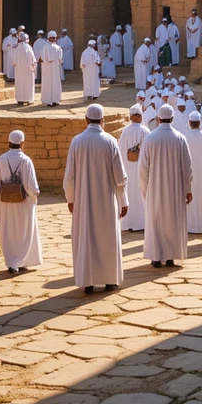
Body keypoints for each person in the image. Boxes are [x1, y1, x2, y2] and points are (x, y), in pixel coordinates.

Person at [63, 103, 128, 293]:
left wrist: (71, 199)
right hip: (107, 200)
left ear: (86, 119)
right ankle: (109, 279)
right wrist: (123, 201)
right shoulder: (110, 141)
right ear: (102, 120)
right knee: (107, 238)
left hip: (84, 201)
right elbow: (120, 177)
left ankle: (88, 281)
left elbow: (69, 177)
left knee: (87, 238)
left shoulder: (77, 142)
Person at [139, 103, 193, 267]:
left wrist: (145, 189)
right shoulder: (180, 138)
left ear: (158, 118)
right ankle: (170, 256)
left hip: (155, 189)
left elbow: (143, 168)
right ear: (172, 118)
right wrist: (188, 189)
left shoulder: (150, 139)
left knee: (156, 223)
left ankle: (156, 257)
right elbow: (187, 167)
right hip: (175, 190)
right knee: (172, 222)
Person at [0, 130, 42, 275]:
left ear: (9, 142)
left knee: (9, 232)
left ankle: (12, 263)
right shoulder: (26, 160)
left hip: (6, 203)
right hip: (23, 204)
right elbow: (31, 186)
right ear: (22, 143)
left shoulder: (1, 160)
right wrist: (34, 195)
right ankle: (22, 260)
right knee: (23, 231)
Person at [119, 105, 149, 232]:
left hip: (128, 168)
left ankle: (129, 222)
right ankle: (141, 223)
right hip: (141, 169)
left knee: (130, 192)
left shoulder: (125, 132)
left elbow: (121, 151)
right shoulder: (145, 131)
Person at [185, 111, 202, 233]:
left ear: (190, 123)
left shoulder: (184, 137)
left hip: (188, 174)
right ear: (199, 123)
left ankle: (190, 225)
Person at [13, 31, 37, 106]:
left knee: (20, 83)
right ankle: (28, 99)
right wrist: (33, 66)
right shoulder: (28, 48)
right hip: (28, 70)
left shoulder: (17, 48)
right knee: (28, 83)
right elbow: (32, 60)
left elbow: (14, 61)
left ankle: (20, 99)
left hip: (19, 71)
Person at [40, 31, 63, 106]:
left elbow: (43, 58)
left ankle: (50, 100)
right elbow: (60, 60)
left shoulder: (45, 47)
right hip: (53, 69)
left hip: (48, 69)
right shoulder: (58, 48)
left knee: (49, 83)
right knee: (54, 83)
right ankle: (54, 100)